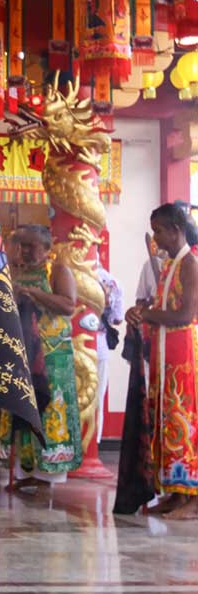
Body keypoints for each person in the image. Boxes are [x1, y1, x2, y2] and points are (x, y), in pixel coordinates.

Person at [126, 203, 198, 519]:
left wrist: (148, 314)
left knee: (183, 418)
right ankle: (174, 492)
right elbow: (157, 305)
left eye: (159, 231)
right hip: (163, 351)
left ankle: (191, 496)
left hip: (183, 353)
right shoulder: (168, 264)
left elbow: (185, 314)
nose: (156, 237)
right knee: (165, 419)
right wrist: (138, 312)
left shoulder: (190, 264)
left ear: (176, 230)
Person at [4, 224, 82, 489]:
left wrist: (36, 294)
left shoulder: (57, 271)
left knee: (50, 416)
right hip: (24, 354)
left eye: (31, 245)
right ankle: (25, 473)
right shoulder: (15, 272)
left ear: (47, 248)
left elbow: (69, 305)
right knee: (25, 414)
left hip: (51, 357)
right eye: (21, 245)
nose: (25, 250)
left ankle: (47, 477)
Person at [95, 262, 123, 444]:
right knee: (97, 397)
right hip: (99, 344)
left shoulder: (63, 271)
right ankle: (93, 444)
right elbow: (117, 319)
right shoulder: (111, 281)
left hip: (67, 343)